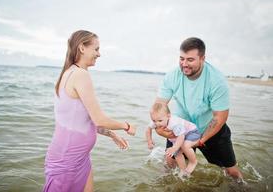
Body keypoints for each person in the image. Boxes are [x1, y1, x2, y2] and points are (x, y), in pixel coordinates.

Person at [42, 30, 136, 192]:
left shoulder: (70, 72)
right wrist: (126, 126)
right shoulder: (80, 75)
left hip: (80, 158)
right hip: (67, 159)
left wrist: (112, 135)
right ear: (82, 48)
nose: (99, 54)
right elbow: (99, 119)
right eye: (96, 49)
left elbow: (83, 121)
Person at [154, 37, 243, 180]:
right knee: (170, 164)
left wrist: (201, 140)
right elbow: (159, 106)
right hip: (182, 128)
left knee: (231, 172)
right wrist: (161, 130)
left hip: (212, 130)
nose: (184, 64)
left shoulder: (217, 81)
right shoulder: (172, 75)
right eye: (181, 58)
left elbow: (219, 118)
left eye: (190, 60)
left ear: (202, 58)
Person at [146, 102, 201, 176]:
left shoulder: (174, 124)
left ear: (168, 116)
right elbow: (148, 129)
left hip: (191, 132)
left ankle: (193, 162)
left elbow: (181, 136)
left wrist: (174, 147)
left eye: (160, 121)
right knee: (177, 153)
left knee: (184, 146)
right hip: (180, 136)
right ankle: (183, 170)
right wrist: (149, 141)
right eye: (154, 120)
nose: (157, 124)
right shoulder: (156, 120)